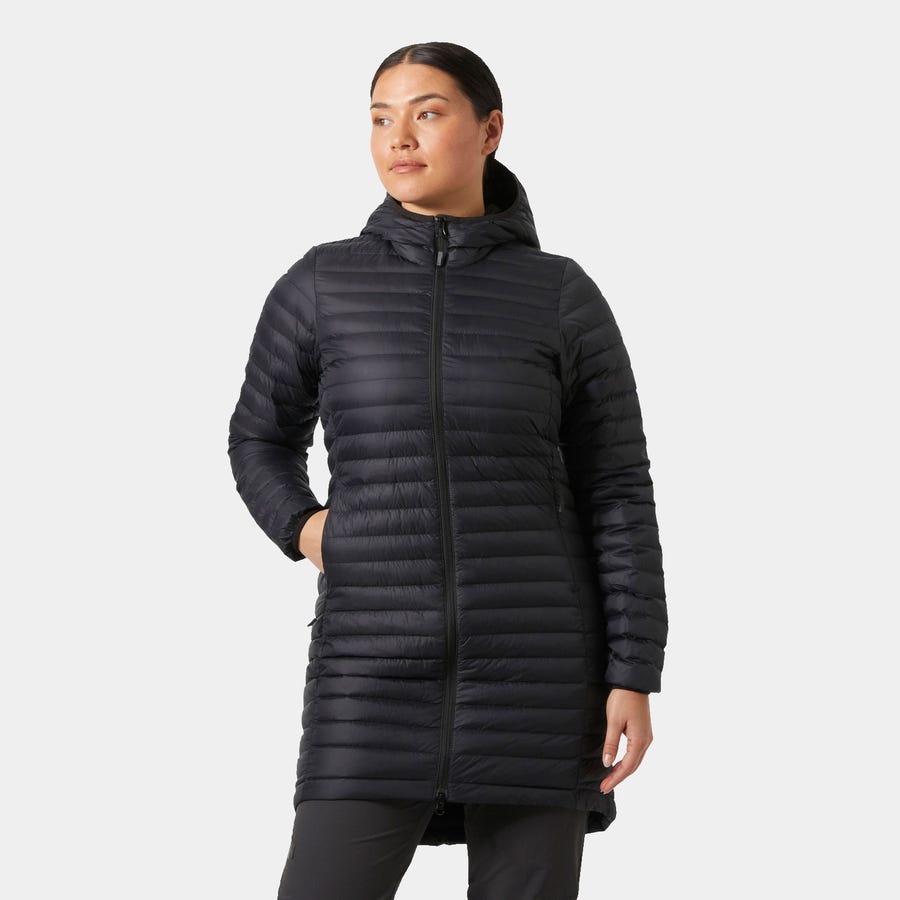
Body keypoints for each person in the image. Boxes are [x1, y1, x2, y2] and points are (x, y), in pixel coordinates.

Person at [227, 41, 668, 900]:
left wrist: (633, 670)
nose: (399, 137)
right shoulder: (322, 285)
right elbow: (258, 438)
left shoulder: (560, 295)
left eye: (427, 113)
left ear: (490, 130)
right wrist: (308, 528)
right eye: (380, 118)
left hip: (541, 674)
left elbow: (618, 488)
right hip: (370, 666)